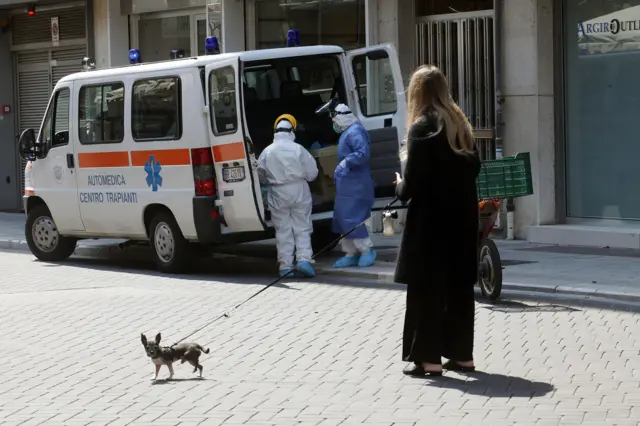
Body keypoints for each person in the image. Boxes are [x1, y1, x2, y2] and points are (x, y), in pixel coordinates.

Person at [395, 65, 481, 377]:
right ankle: (462, 355)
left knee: (427, 290)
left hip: (431, 225)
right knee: (459, 288)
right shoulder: (461, 125)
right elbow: (475, 169)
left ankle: (428, 359)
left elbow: (414, 183)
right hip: (461, 220)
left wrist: (399, 186)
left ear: (416, 93)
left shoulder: (422, 128)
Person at [258, 114, 319, 278]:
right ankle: (304, 260)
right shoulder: (299, 149)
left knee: (282, 229)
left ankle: (285, 266)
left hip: (277, 191)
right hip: (299, 189)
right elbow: (312, 173)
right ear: (292, 130)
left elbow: (260, 175)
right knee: (302, 226)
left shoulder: (267, 151)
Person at [330, 103, 377, 268]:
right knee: (344, 218)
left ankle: (366, 250)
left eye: (335, 120)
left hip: (357, 184)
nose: (334, 124)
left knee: (353, 218)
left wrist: (346, 161)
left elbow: (362, 153)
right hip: (347, 184)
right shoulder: (348, 132)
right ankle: (350, 252)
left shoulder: (355, 131)